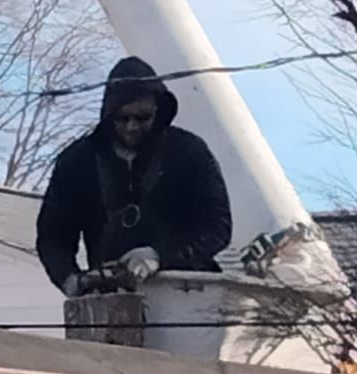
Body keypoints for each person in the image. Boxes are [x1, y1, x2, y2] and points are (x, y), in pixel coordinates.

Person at [36, 56, 232, 293]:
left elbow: (217, 226)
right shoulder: (78, 161)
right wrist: (69, 278)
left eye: (142, 117)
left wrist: (160, 255)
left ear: (158, 110)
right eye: (122, 118)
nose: (131, 126)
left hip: (188, 291)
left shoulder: (188, 152)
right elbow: (52, 235)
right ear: (108, 114)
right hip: (111, 293)